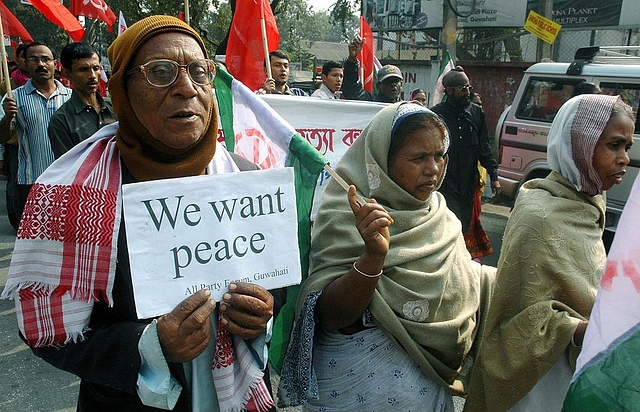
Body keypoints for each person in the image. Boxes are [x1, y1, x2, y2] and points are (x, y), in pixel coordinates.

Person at [1, 16, 276, 411]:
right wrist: (151, 345)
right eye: (160, 72)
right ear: (121, 90)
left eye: (199, 72)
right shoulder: (70, 195)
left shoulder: (247, 178)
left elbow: (276, 281)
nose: (186, 88)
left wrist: (262, 309)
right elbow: (50, 332)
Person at [277, 102, 495, 410]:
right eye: (418, 158)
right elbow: (330, 316)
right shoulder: (347, 213)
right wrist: (373, 258)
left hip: (428, 388)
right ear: (379, 163)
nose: (433, 168)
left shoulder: (440, 216)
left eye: (439, 156)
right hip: (356, 389)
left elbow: (463, 285)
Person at [464, 94, 635, 412]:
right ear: (580, 146)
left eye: (627, 146)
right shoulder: (540, 215)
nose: (624, 157)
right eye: (614, 145)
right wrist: (586, 329)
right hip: (539, 380)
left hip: (581, 365)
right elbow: (519, 316)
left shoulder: (589, 204)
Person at [0, 42, 72, 221]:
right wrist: (8, 117)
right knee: (33, 241)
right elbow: (2, 136)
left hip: (67, 181)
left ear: (55, 64)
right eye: (34, 59)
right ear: (25, 63)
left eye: (45, 59)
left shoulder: (71, 97)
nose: (41, 64)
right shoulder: (13, 98)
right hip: (31, 181)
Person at [430, 66, 500, 234]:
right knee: (448, 225)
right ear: (449, 91)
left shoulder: (476, 113)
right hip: (445, 183)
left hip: (468, 185)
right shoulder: (436, 115)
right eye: (463, 89)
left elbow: (484, 148)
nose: (468, 92)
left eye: (469, 87)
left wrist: (494, 177)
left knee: (464, 227)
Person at [48, 42, 117, 158]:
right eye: (83, 69)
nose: (93, 75)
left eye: (96, 68)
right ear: (67, 74)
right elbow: (67, 166)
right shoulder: (61, 120)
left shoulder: (116, 106)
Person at [342, 35, 403, 103]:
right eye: (388, 81)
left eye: (395, 81)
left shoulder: (406, 107)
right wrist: (352, 60)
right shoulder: (370, 101)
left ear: (401, 85)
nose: (393, 84)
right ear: (378, 86)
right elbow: (352, 91)